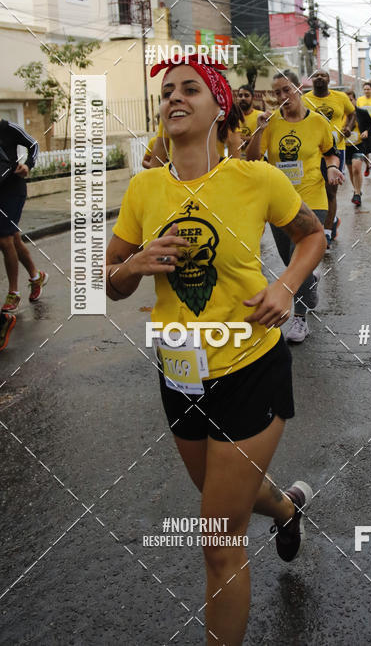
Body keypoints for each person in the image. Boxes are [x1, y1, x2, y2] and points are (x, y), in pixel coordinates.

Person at [106, 55, 326, 646]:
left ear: (219, 107)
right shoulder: (144, 188)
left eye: (190, 90)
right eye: (167, 92)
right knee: (221, 497)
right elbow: (111, 281)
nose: (174, 98)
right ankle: (287, 508)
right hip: (178, 371)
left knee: (218, 539)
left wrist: (286, 287)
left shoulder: (256, 179)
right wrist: (133, 265)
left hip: (250, 366)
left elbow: (312, 235)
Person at [247, 70, 343, 343]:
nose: (282, 96)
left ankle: (299, 319)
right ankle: (309, 281)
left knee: (297, 257)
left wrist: (332, 168)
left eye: (286, 90)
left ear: (299, 89)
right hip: (280, 201)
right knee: (292, 263)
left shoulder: (318, 122)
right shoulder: (271, 123)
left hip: (313, 199)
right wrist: (259, 130)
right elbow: (252, 160)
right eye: (277, 92)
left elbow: (330, 153)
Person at [301, 70, 355, 245]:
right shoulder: (304, 100)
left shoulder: (341, 97)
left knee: (331, 191)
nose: (319, 77)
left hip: (335, 150)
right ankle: (328, 221)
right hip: (312, 151)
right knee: (312, 189)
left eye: (323, 75)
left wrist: (348, 128)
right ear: (311, 79)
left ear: (329, 79)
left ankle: (327, 232)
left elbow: (352, 114)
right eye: (316, 75)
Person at [0, 118, 48, 314]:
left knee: (4, 240)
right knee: (14, 239)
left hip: (13, 190)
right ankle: (37, 277)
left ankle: (13, 292)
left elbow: (34, 144)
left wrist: (28, 164)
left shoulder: (7, 128)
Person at [345, 90, 371, 206]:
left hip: (359, 145)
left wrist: (366, 131)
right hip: (345, 146)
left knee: (356, 168)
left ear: (355, 100)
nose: (349, 102)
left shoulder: (362, 112)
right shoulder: (340, 114)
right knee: (351, 171)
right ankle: (357, 190)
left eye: (351, 100)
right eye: (346, 100)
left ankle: (357, 193)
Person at [237, 84, 263, 158]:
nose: (243, 98)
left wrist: (240, 139)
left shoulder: (261, 116)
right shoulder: (233, 117)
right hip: (236, 161)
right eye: (240, 95)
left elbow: (262, 139)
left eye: (246, 95)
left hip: (256, 161)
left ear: (253, 98)